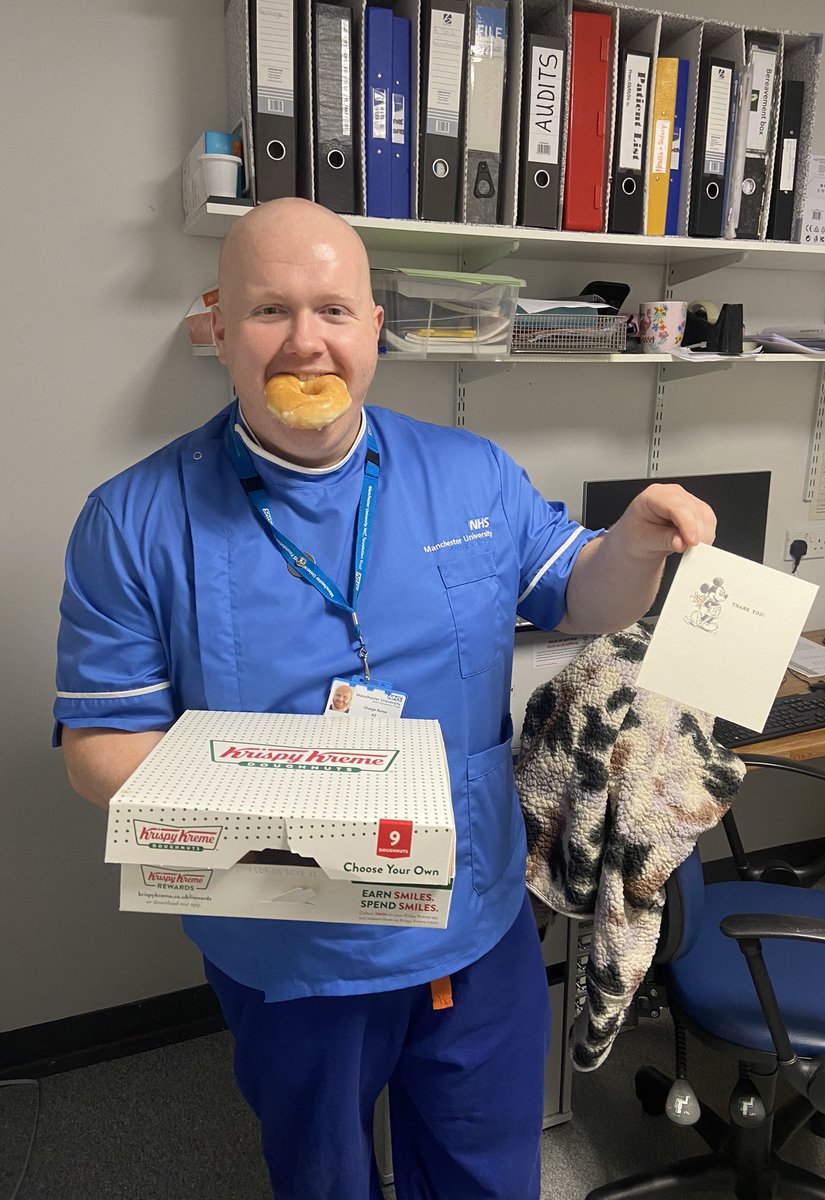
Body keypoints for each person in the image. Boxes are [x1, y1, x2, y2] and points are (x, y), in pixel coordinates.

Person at [55, 198, 716, 1200]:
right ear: (218, 329)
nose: (306, 342)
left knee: (487, 1178)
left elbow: (584, 597)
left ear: (375, 328)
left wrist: (633, 543)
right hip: (286, 942)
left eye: (334, 310)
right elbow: (100, 749)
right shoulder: (134, 519)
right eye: (271, 311)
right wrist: (307, 807)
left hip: (473, 921)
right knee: (323, 1184)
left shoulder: (471, 475)